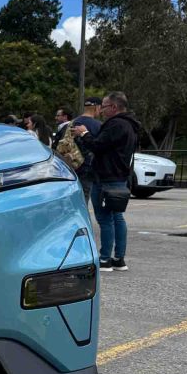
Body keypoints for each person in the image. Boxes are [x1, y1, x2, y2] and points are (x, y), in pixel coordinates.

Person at [73, 91, 139, 272]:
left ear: (114, 107)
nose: (101, 110)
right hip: (119, 177)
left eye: (104, 106)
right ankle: (119, 258)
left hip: (106, 177)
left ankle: (105, 259)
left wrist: (84, 133)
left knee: (105, 218)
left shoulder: (115, 124)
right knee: (117, 217)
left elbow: (98, 145)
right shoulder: (130, 124)